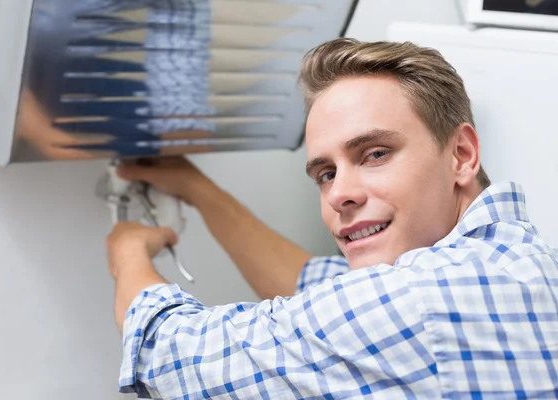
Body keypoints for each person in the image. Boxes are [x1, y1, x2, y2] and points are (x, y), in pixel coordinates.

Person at [105, 38, 558, 398]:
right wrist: (197, 189)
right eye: (325, 173)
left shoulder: (419, 300)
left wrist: (127, 250)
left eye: (375, 154)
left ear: (461, 154)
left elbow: (164, 346)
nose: (339, 194)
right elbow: (312, 282)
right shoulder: (516, 262)